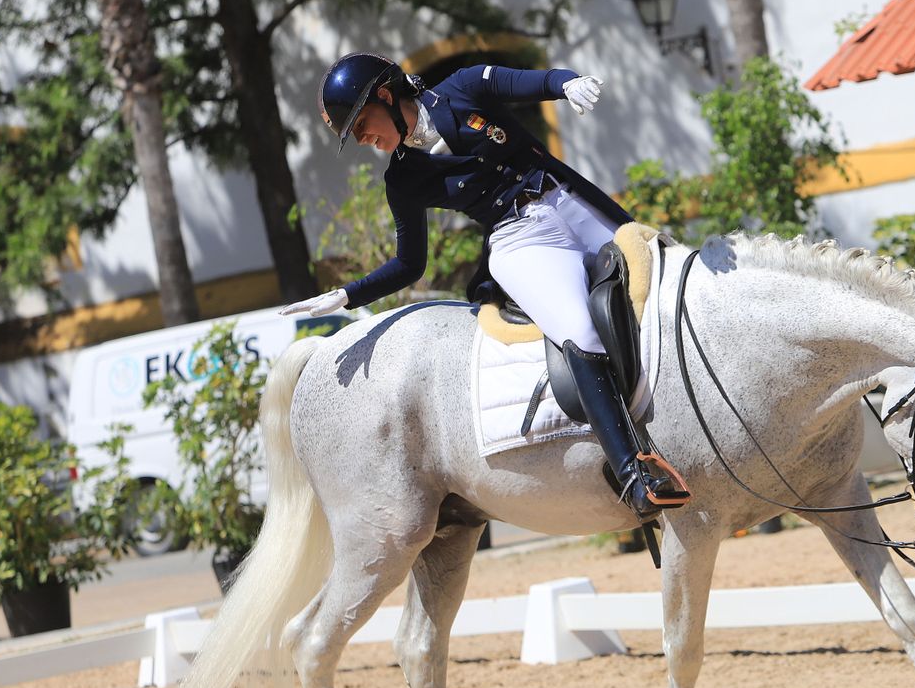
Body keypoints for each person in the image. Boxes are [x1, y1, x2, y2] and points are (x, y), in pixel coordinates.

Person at [283, 52, 689, 518]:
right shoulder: (403, 180)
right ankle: (632, 471)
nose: (363, 139)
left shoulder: (464, 87)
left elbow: (531, 82)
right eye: (354, 135)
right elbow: (409, 264)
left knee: (669, 274)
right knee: (579, 329)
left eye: (361, 124)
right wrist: (348, 294)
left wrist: (568, 84)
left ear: (386, 96)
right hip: (520, 238)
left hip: (568, 201)